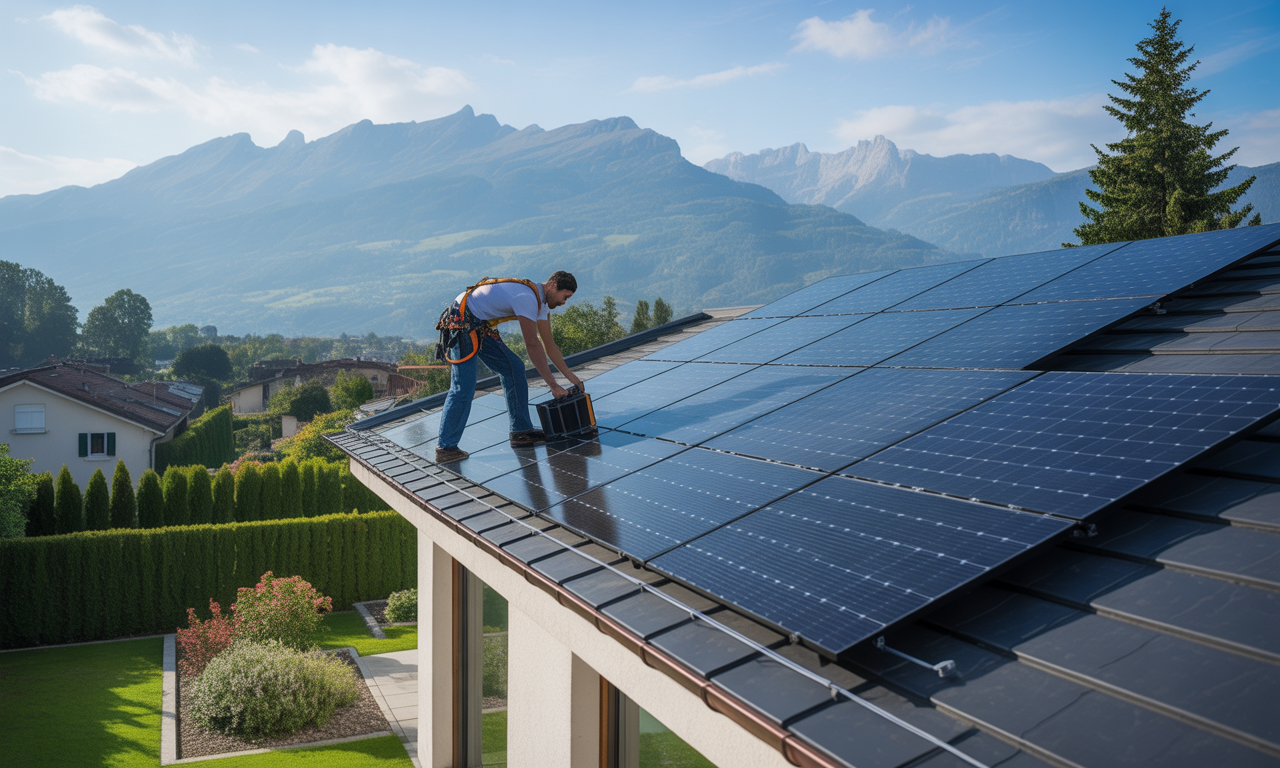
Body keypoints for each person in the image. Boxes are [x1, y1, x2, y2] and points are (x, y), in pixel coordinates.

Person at [433, 271, 583, 462]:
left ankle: (521, 431)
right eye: (565, 296)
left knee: (514, 367)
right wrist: (553, 386)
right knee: (463, 387)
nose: (564, 302)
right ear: (553, 286)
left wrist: (574, 380)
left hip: (481, 323)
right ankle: (446, 447)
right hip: (462, 319)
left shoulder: (541, 304)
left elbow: (549, 346)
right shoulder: (526, 298)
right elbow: (532, 344)